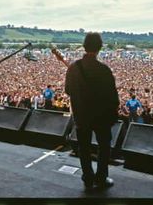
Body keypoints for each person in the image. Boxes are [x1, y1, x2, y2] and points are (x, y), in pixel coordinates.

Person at [65, 32, 119, 191]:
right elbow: (113, 97)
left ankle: (87, 176)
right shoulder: (104, 70)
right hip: (101, 116)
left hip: (81, 115)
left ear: (84, 46)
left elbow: (68, 91)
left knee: (84, 147)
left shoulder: (74, 68)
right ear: (100, 48)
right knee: (103, 147)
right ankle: (101, 177)